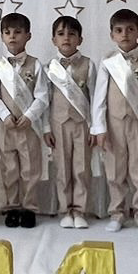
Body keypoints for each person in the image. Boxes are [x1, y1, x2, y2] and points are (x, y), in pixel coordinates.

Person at [89, 8, 138, 235]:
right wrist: (99, 128)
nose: (125, 34)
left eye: (130, 29)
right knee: (115, 171)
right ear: (112, 35)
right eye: (119, 30)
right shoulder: (107, 62)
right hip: (114, 124)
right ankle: (117, 213)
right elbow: (99, 97)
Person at [0, 12, 49, 229]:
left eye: (17, 32)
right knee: (9, 168)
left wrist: (30, 116)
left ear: (28, 36)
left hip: (28, 127)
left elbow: (42, 96)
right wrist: (5, 115)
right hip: (6, 127)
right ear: (2, 36)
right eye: (7, 32)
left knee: (30, 169)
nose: (12, 36)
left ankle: (29, 207)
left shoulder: (36, 65)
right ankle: (12, 207)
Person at [44, 14, 97, 230]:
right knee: (62, 169)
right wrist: (46, 128)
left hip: (82, 123)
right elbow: (45, 100)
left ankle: (80, 210)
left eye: (72, 34)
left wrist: (95, 127)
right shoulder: (48, 67)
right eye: (61, 34)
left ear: (80, 39)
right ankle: (65, 210)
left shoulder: (88, 65)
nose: (66, 38)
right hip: (58, 124)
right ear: (53, 40)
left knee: (81, 168)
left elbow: (95, 97)